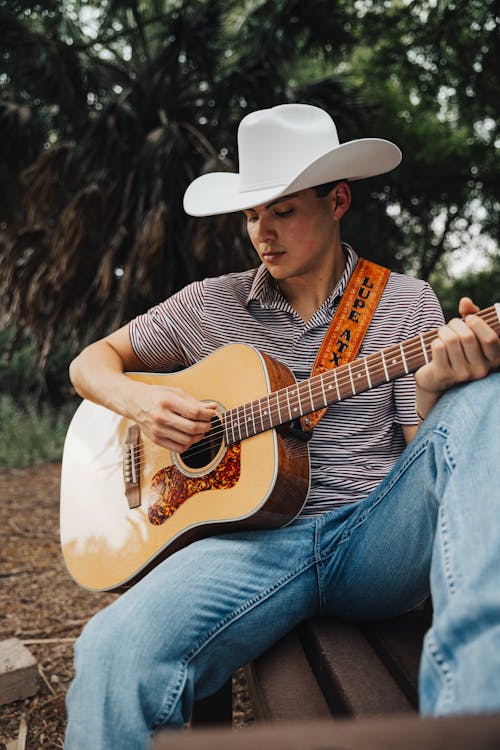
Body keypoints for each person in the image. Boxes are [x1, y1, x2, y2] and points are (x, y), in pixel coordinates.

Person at [64, 103, 500, 749]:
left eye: (283, 211)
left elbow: (430, 457)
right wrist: (139, 403)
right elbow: (89, 363)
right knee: (110, 650)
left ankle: (471, 715)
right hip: (248, 549)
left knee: (483, 396)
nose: (262, 233)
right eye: (251, 214)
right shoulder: (207, 303)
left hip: (374, 535)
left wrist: (438, 386)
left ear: (338, 200)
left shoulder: (408, 300)